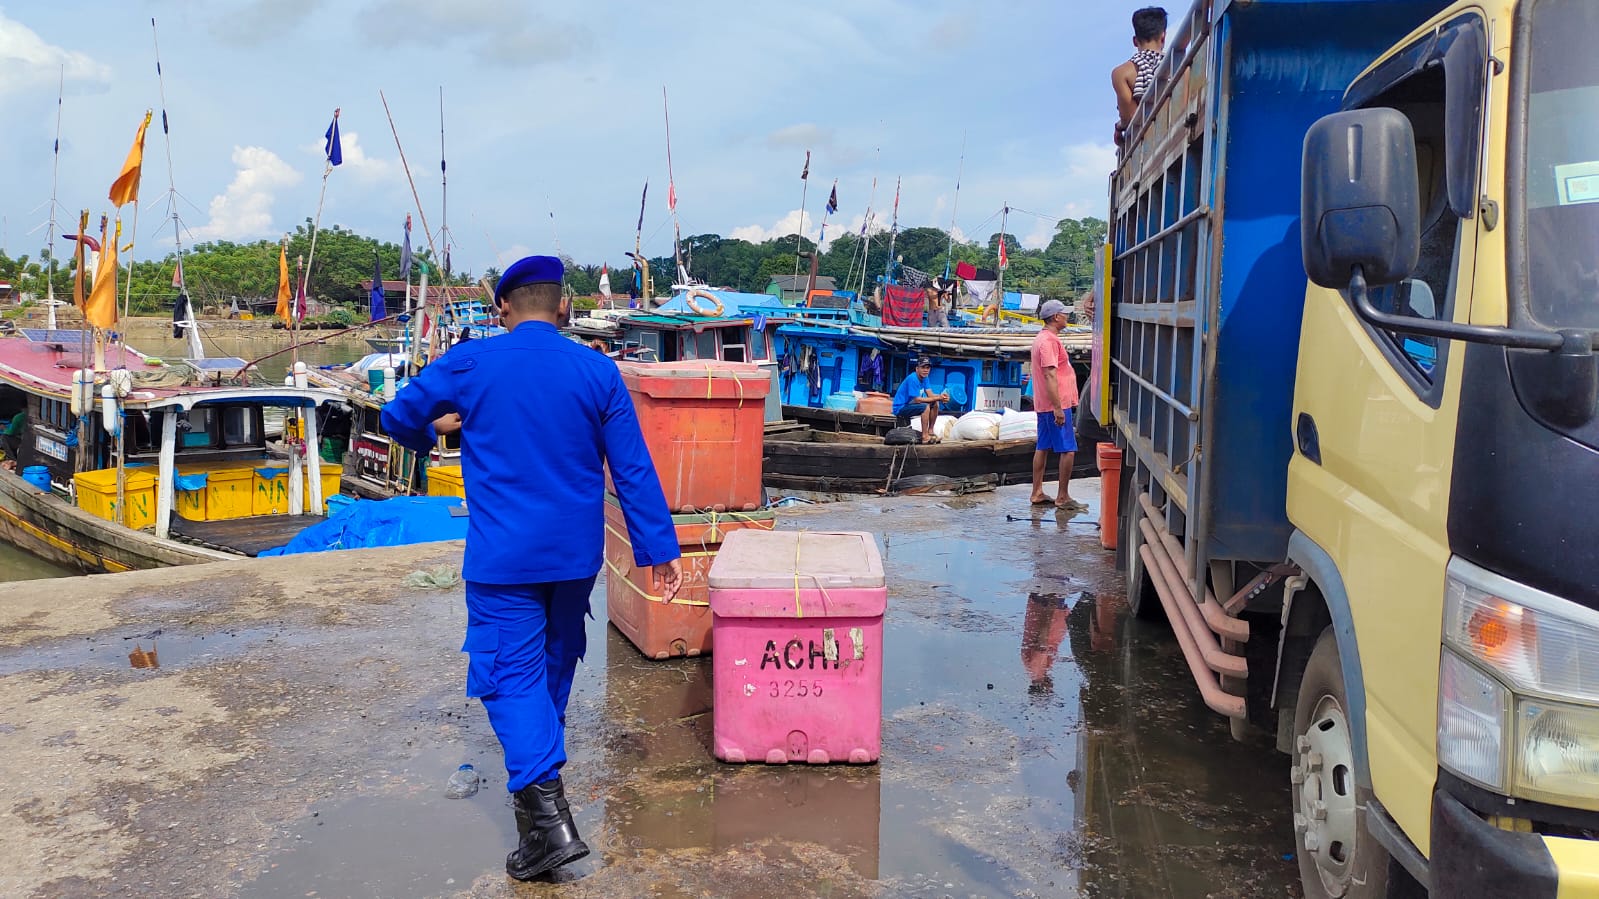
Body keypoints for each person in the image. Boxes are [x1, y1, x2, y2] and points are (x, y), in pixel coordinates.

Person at [381, 254, 683, 882]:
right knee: (550, 666)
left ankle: (550, 822)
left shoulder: (472, 363)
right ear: (564, 307)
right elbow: (632, 469)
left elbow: (396, 416)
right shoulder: (598, 370)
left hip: (503, 559)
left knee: (507, 678)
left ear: (503, 311)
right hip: (575, 557)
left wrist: (435, 429)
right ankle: (536, 822)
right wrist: (660, 552)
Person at [1030, 300, 1087, 512]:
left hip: (1045, 403)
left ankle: (1037, 492)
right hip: (1055, 404)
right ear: (1055, 317)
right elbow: (1050, 373)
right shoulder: (1049, 341)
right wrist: (1057, 407)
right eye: (1064, 314)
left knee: (1043, 446)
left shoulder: (1043, 339)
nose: (1067, 317)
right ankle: (1063, 496)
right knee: (1068, 450)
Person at [1112, 7, 1168, 145]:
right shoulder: (1181, 64)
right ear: (1163, 36)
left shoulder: (1121, 74)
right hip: (1180, 134)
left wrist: (1119, 128)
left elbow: (1130, 119)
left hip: (1148, 148)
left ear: (1135, 41)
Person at [892, 357, 949, 444]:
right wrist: (938, 397)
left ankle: (930, 431)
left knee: (935, 403)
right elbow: (917, 400)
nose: (925, 370)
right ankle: (925, 437)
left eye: (928, 368)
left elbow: (930, 395)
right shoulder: (913, 378)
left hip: (910, 405)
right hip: (900, 408)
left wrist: (941, 397)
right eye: (923, 367)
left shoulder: (925, 378)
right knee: (925, 407)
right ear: (917, 369)